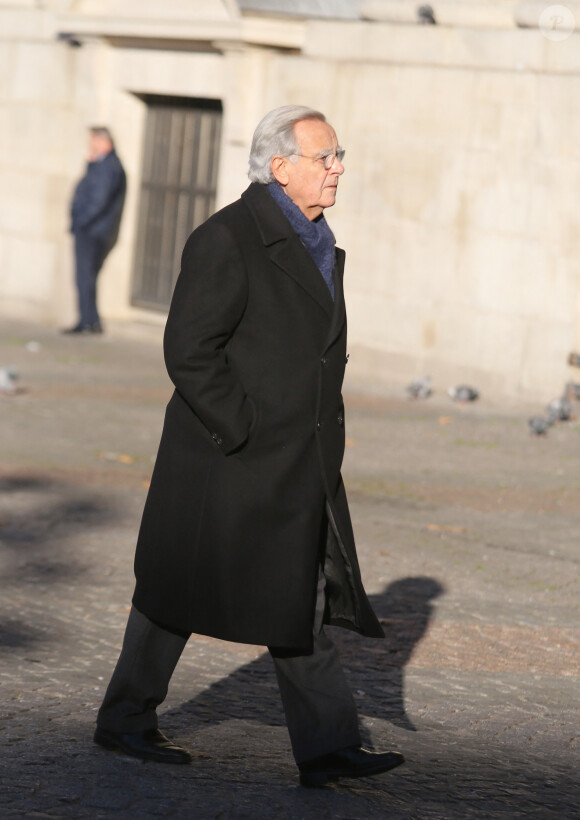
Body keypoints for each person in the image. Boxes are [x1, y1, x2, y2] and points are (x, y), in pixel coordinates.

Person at [93, 105, 404, 787]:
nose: (339, 169)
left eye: (338, 154)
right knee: (175, 591)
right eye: (326, 157)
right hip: (227, 461)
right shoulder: (227, 238)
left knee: (296, 597)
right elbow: (189, 349)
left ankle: (325, 747)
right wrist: (244, 428)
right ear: (280, 167)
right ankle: (124, 718)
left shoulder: (317, 239)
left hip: (298, 460)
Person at [63, 126, 126, 334]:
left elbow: (98, 200)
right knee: (87, 277)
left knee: (84, 276)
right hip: (95, 229)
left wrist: (81, 221)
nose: (90, 145)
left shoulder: (108, 167)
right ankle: (91, 319)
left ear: (103, 141)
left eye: (93, 141)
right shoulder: (102, 164)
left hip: (93, 231)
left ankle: (87, 322)